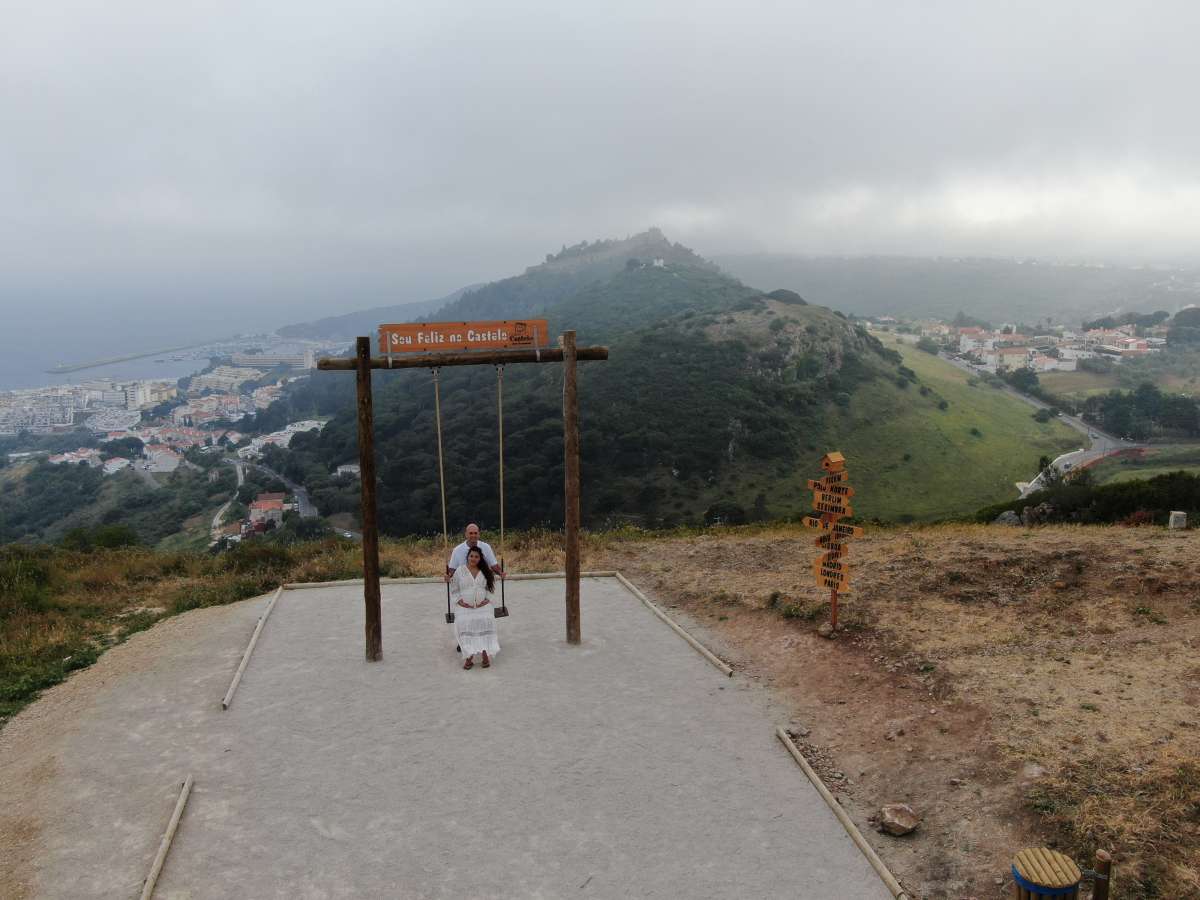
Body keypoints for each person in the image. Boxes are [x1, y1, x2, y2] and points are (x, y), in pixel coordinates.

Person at [449, 546, 500, 669]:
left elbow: (490, 589)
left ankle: (485, 654)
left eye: (476, 556)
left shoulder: (485, 571)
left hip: (483, 606)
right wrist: (459, 601)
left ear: (480, 558)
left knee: (486, 620)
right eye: (471, 556)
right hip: (464, 607)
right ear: (467, 557)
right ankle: (469, 657)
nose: (473, 558)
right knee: (464, 623)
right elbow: (454, 589)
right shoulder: (460, 571)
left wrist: (486, 600)